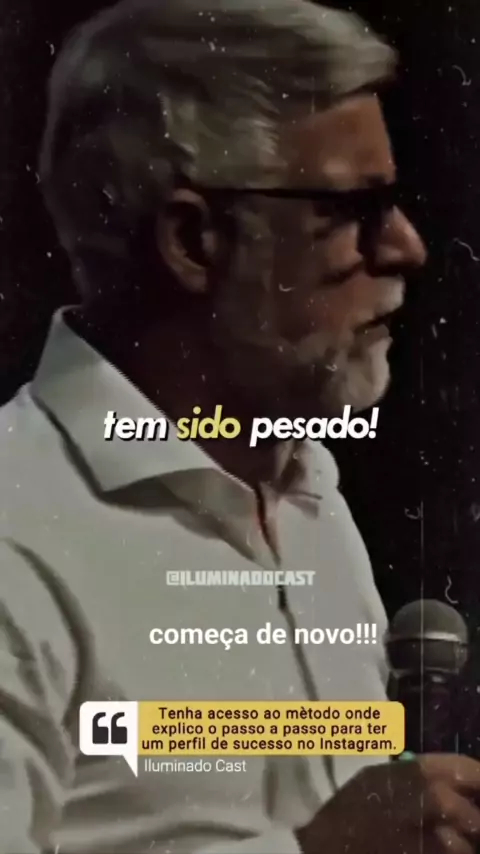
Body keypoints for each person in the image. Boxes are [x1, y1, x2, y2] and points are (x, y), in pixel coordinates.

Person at [1, 1, 479, 852]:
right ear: (194, 240)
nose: (408, 247)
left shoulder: (304, 489)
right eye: (355, 209)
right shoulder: (18, 530)